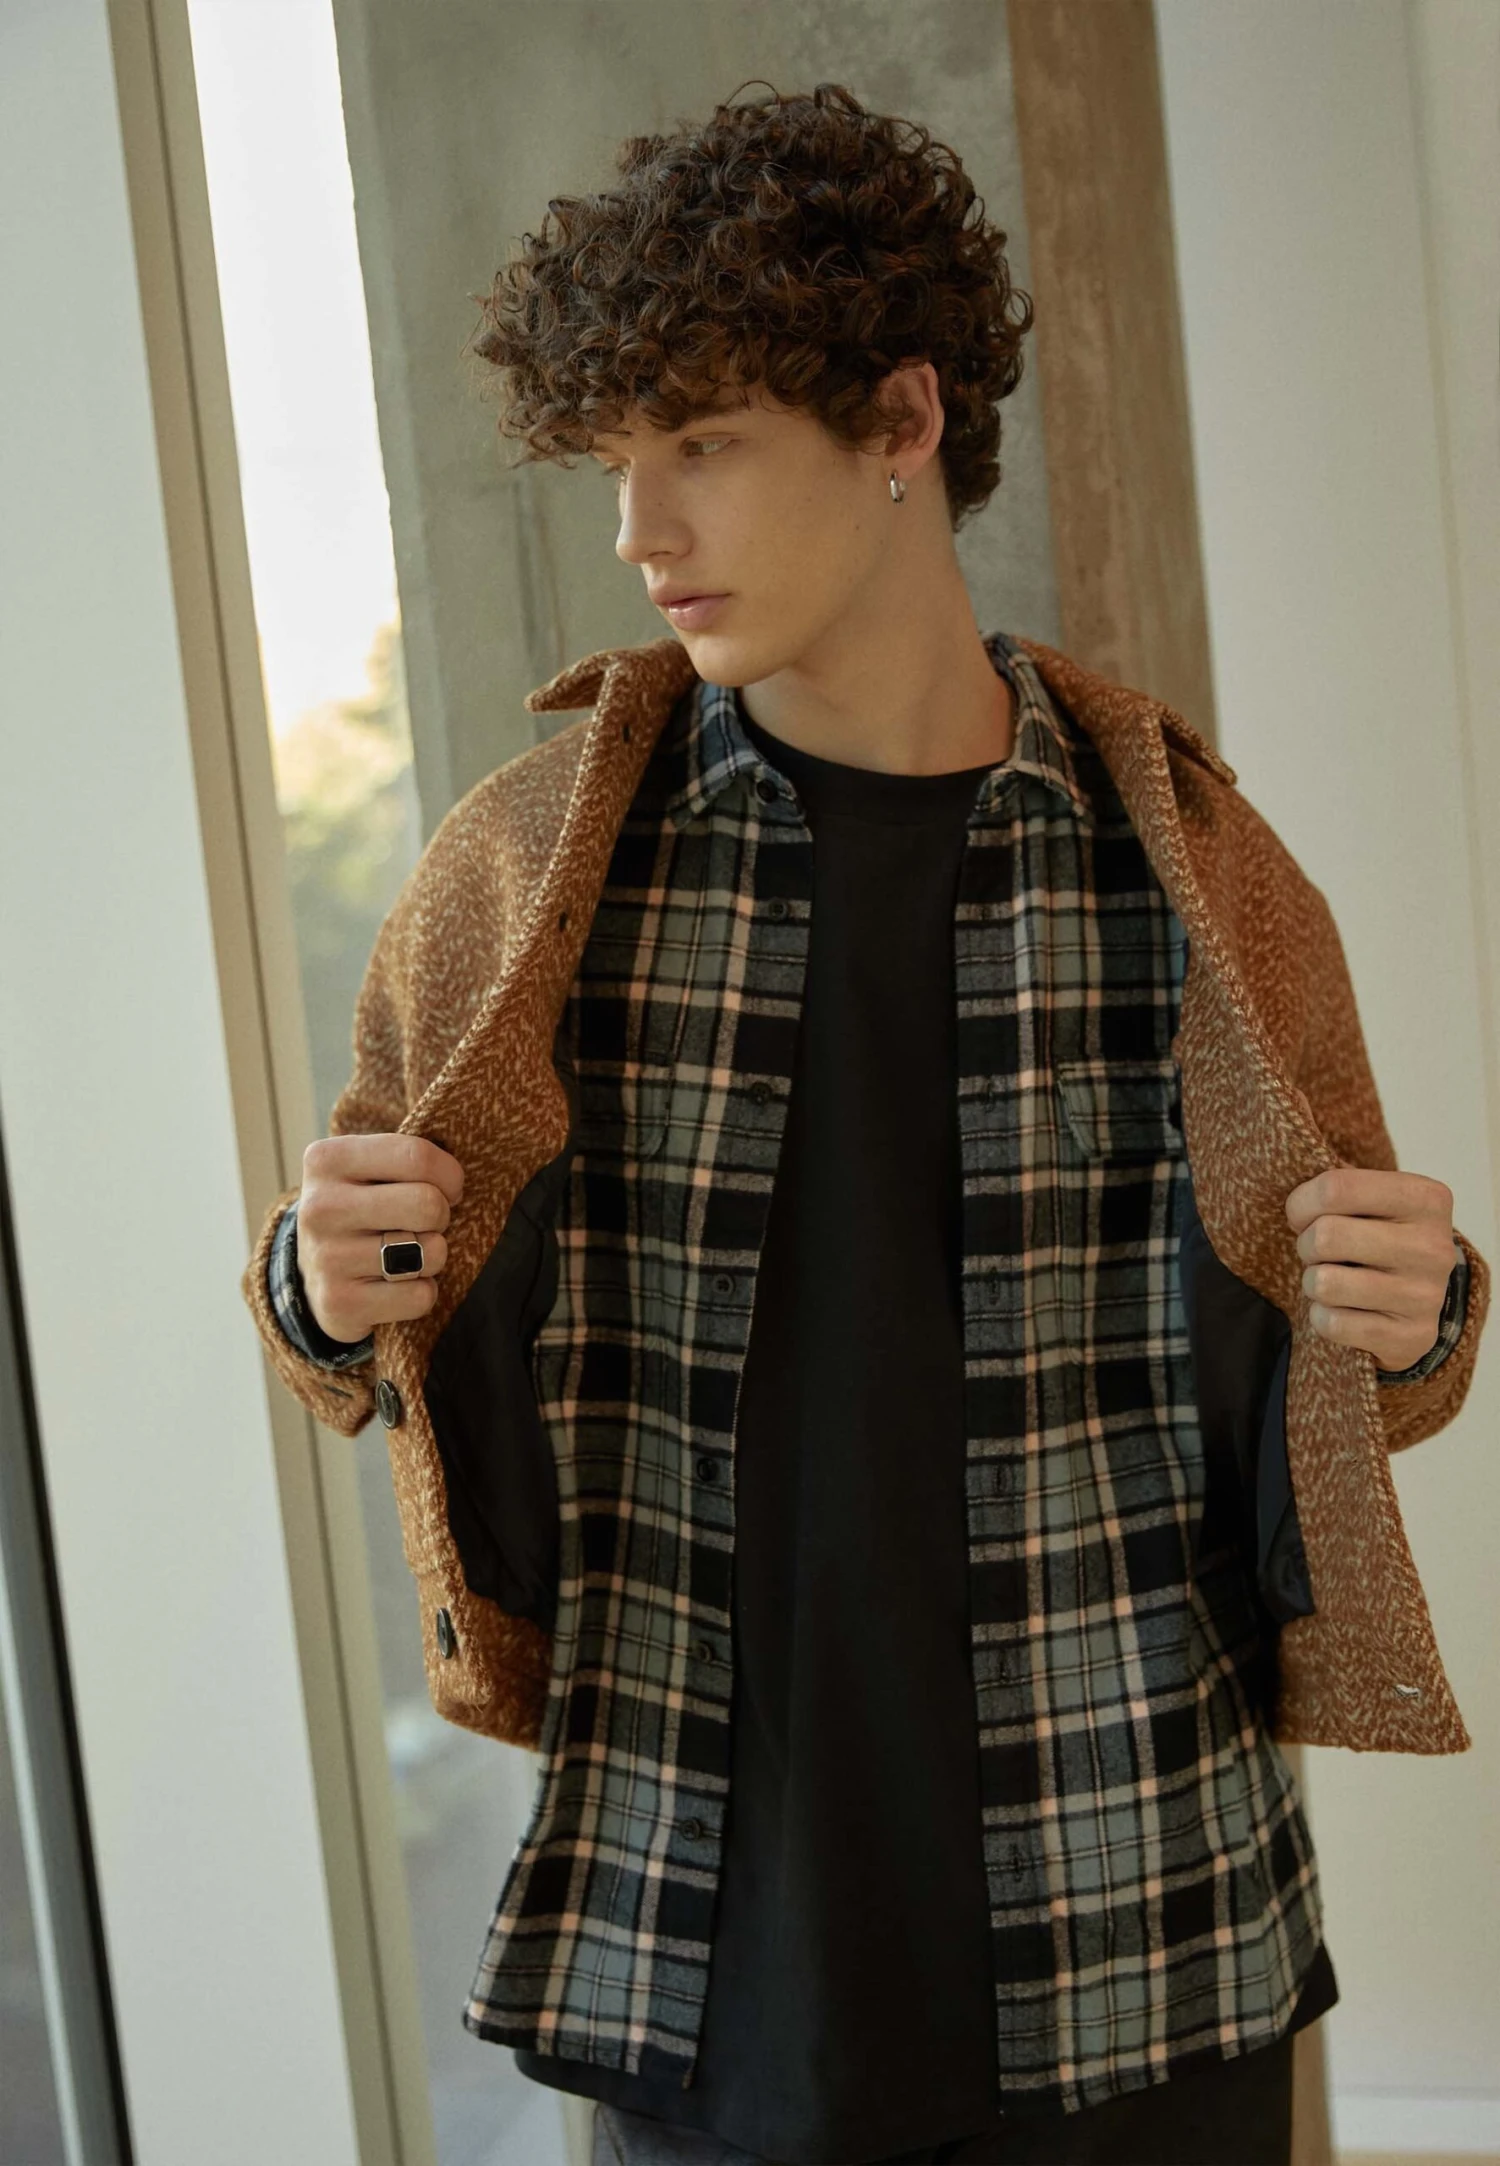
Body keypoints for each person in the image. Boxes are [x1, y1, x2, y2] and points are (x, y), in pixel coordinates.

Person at [244, 82, 1482, 2166]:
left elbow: (1369, 1367)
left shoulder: (1193, 869)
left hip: (1141, 1923)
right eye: (617, 460)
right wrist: (314, 1279)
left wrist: (1428, 1310)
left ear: (903, 420)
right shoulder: (533, 874)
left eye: (704, 445)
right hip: (707, 1941)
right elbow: (339, 1323)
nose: (641, 531)